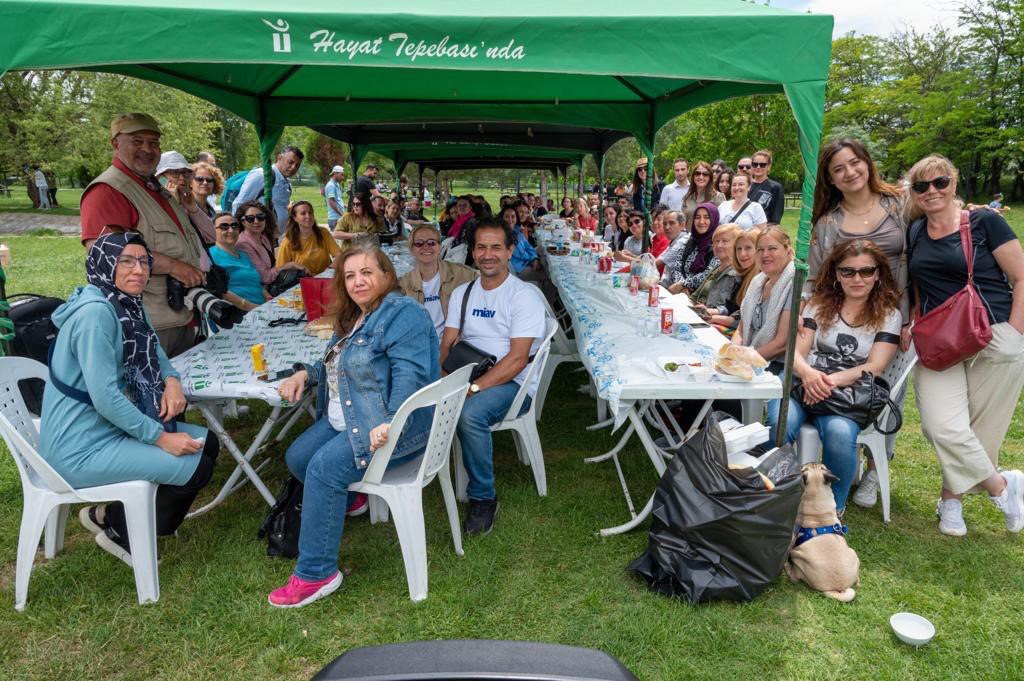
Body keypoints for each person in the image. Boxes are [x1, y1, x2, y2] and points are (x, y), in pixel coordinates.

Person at [268, 247, 440, 607]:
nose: (358, 281)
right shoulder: (355, 316)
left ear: (387, 276)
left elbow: (411, 376)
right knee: (298, 457)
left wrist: (391, 423)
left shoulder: (403, 313)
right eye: (349, 276)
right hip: (352, 419)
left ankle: (316, 574)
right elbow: (334, 363)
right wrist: (305, 373)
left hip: (395, 429)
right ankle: (354, 497)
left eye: (366, 273)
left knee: (322, 469)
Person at [40, 231, 218, 564]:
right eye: (126, 261)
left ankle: (107, 515)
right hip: (80, 447)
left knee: (208, 446)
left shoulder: (124, 303)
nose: (138, 270)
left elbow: (155, 350)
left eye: (143, 261)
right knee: (197, 468)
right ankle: (122, 533)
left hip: (105, 430)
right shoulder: (96, 315)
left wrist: (172, 381)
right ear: (104, 263)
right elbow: (106, 397)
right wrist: (159, 439)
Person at [905, 154, 1024, 536]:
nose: (931, 191)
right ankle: (1003, 487)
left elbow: (1021, 277)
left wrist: (1015, 334)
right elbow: (917, 281)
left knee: (980, 427)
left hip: (993, 335)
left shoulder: (985, 221)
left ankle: (950, 501)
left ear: (954, 183)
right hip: (939, 339)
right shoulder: (916, 231)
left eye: (939, 182)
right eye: (922, 186)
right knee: (943, 427)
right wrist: (913, 316)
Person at [807, 139, 911, 499]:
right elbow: (816, 276)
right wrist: (810, 319)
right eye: (839, 168)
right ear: (831, 179)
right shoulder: (829, 222)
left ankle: (873, 468)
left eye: (855, 163)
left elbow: (937, 218)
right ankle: (841, 461)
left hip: (893, 315)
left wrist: (908, 319)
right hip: (842, 316)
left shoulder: (898, 205)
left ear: (867, 164)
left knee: (882, 390)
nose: (850, 172)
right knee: (845, 388)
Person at [771, 239, 902, 514]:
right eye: (848, 271)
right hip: (801, 384)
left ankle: (833, 507)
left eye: (866, 271)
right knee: (778, 422)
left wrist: (826, 382)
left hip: (847, 394)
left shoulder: (889, 315)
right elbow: (797, 351)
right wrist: (808, 374)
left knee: (839, 433)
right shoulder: (818, 306)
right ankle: (776, 497)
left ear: (877, 274)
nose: (857, 278)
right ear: (836, 274)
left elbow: (875, 366)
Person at [441, 218, 547, 536]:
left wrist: (472, 388)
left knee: (469, 414)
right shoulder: (463, 292)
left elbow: (516, 360)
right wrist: (442, 379)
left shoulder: (522, 295)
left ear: (510, 251)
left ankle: (483, 497)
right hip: (469, 371)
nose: (488, 255)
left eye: (496, 247)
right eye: (481, 247)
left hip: (513, 382)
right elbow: (447, 343)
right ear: (473, 252)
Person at [79, 113, 205, 358]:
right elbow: (109, 255)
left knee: (184, 395)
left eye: (154, 142)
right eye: (137, 141)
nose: (147, 149)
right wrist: (172, 266)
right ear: (116, 144)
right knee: (153, 394)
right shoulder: (108, 190)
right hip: (146, 324)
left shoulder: (153, 188)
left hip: (180, 314)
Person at [733, 226, 795, 376]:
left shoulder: (794, 284)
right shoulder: (757, 283)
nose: (765, 254)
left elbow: (781, 344)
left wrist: (742, 358)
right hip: (748, 357)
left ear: (788, 250)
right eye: (760, 249)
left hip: (775, 366)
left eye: (772, 248)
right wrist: (733, 351)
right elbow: (741, 329)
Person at [399, 224, 477, 339]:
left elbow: (490, 280)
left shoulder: (461, 274)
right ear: (412, 249)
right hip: (419, 346)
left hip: (453, 346)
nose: (426, 247)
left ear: (439, 246)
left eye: (431, 242)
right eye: (419, 243)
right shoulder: (403, 284)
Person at [231, 145, 304, 232]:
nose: (293, 168)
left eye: (297, 165)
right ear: (279, 158)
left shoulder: (287, 184)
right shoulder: (262, 175)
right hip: (255, 237)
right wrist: (238, 233)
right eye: (290, 162)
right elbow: (239, 204)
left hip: (272, 239)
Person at [209, 212, 268, 312]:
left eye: (234, 226)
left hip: (261, 306)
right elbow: (219, 291)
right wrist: (252, 307)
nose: (231, 230)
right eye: (224, 226)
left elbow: (255, 282)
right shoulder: (210, 256)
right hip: (239, 313)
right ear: (212, 230)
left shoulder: (243, 255)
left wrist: (268, 297)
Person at [705, 228, 760, 331]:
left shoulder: (760, 278)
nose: (742, 254)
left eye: (748, 248)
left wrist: (713, 317)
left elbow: (746, 320)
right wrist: (708, 312)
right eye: (739, 249)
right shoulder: (742, 274)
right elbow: (732, 306)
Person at [235, 200, 298, 286]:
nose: (256, 221)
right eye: (250, 218)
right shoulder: (243, 243)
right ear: (243, 221)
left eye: (260, 217)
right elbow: (265, 277)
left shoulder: (263, 237)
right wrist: (286, 266)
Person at [662, 203, 720, 294]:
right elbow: (677, 267)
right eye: (697, 217)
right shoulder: (689, 242)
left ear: (714, 219)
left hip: (699, 299)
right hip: (680, 293)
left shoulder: (718, 245)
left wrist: (683, 285)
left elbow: (709, 273)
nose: (701, 221)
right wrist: (681, 287)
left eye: (706, 217)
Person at [276, 201, 341, 276]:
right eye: (303, 213)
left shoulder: (323, 232)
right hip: (301, 282)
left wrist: (329, 270)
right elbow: (279, 268)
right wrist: (293, 265)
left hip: (325, 277)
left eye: (310, 213)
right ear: (295, 218)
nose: (308, 216)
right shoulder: (288, 241)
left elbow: (339, 255)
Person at [691, 224, 741, 316]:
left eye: (724, 241)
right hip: (698, 313)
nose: (719, 245)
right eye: (716, 241)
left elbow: (731, 308)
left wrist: (707, 310)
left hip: (713, 320)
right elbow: (694, 296)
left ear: (736, 245)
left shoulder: (737, 273)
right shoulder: (716, 268)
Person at [501, 203, 543, 278]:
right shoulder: (504, 235)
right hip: (517, 269)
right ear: (502, 218)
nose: (510, 220)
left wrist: (535, 258)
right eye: (507, 217)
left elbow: (528, 246)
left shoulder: (516, 229)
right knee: (547, 274)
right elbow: (521, 254)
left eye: (513, 217)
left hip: (525, 263)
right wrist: (533, 261)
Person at [681, 161, 726, 228]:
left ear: (710, 177)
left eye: (705, 174)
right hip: (690, 237)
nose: (701, 177)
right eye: (697, 173)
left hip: (710, 237)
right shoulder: (687, 198)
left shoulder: (718, 197)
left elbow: (722, 223)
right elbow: (683, 223)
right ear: (693, 176)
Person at [749, 149, 785, 224]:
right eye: (755, 164)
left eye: (762, 165)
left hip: (762, 231)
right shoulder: (745, 185)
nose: (758, 167)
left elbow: (776, 217)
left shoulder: (775, 187)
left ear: (768, 167)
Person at [324, 165, 346, 230]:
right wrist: (342, 214)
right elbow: (331, 202)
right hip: (335, 219)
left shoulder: (336, 184)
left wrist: (346, 205)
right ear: (335, 173)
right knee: (337, 239)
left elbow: (337, 200)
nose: (343, 177)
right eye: (341, 175)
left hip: (338, 218)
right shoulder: (331, 185)